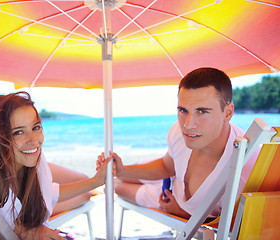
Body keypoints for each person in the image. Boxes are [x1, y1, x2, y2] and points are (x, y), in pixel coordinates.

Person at [98, 67, 258, 220]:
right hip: (172, 183)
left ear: (228, 112)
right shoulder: (180, 132)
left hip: (174, 205)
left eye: (202, 111)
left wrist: (179, 212)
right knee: (115, 177)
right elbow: (167, 166)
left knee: (116, 186)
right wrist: (122, 170)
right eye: (183, 110)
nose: (188, 125)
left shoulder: (243, 170)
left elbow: (231, 229)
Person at [0, 91, 110, 240]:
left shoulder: (33, 163)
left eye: (36, 127)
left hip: (30, 213)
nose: (34, 140)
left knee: (85, 195)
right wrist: (27, 231)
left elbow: (48, 192)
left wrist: (96, 181)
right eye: (18, 132)